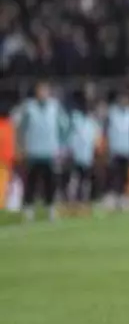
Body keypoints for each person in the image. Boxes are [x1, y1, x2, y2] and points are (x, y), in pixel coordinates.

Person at [12, 81, 69, 221]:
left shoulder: (55, 107)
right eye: (40, 90)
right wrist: (21, 146)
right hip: (33, 151)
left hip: (50, 151)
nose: (42, 93)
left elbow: (64, 127)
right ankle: (29, 209)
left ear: (49, 92)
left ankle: (50, 208)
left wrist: (62, 146)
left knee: (51, 182)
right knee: (31, 181)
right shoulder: (29, 107)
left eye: (45, 90)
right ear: (36, 92)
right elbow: (20, 129)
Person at [105, 91, 129, 212]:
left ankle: (124, 198)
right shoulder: (112, 113)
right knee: (114, 175)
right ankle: (113, 199)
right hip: (115, 149)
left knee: (125, 176)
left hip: (127, 149)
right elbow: (105, 130)